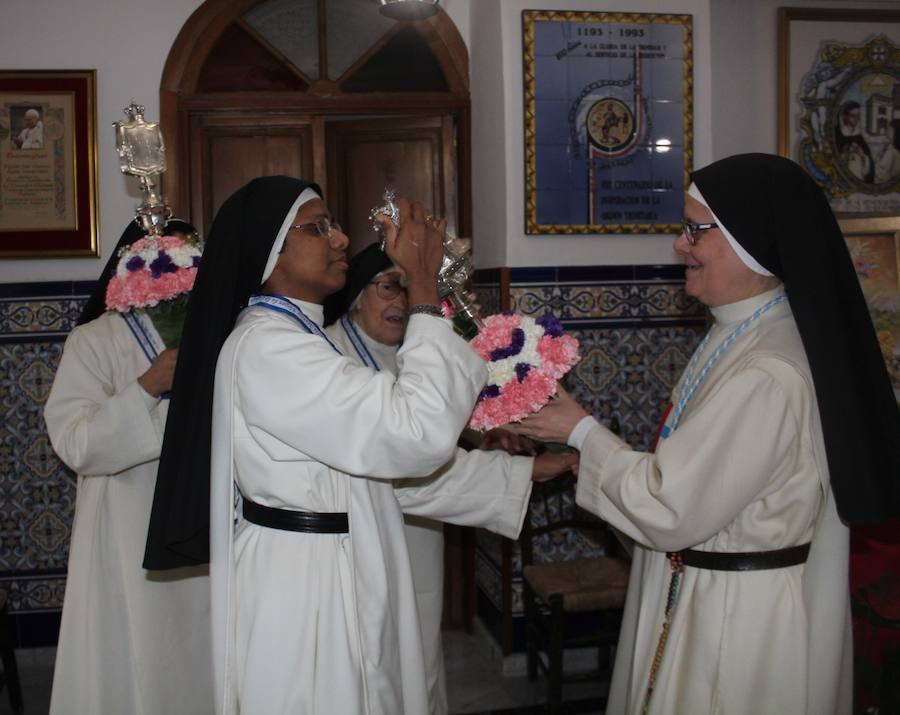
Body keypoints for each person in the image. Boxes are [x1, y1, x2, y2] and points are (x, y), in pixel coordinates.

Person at [142, 176, 562, 714]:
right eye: (318, 227)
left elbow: (378, 468)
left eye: (336, 225)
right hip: (309, 589)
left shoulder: (296, 336)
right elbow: (416, 434)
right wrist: (425, 289)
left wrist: (524, 471)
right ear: (270, 249)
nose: (340, 239)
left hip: (333, 561)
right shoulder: (268, 348)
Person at [518, 154, 900, 715]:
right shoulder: (742, 331)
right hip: (707, 589)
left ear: (753, 242)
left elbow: (671, 503)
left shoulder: (767, 370)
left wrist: (580, 432)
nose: (679, 244)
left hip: (738, 622)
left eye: (696, 230)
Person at [323, 242, 575, 715]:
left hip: (419, 534)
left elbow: (433, 430)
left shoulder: (420, 350)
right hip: (353, 539)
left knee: (416, 651)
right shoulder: (330, 358)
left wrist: (486, 435)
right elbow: (401, 462)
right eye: (387, 288)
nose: (399, 302)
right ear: (357, 295)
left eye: (406, 289)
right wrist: (523, 473)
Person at [44, 219, 213, 714]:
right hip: (125, 529)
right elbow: (74, 441)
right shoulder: (93, 341)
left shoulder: (214, 337)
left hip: (204, 528)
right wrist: (144, 389)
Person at [835, 101, 874, 183]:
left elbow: (869, 163)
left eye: (858, 116)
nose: (857, 119)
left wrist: (863, 156)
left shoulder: (859, 137)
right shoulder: (837, 136)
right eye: (853, 116)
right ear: (845, 116)